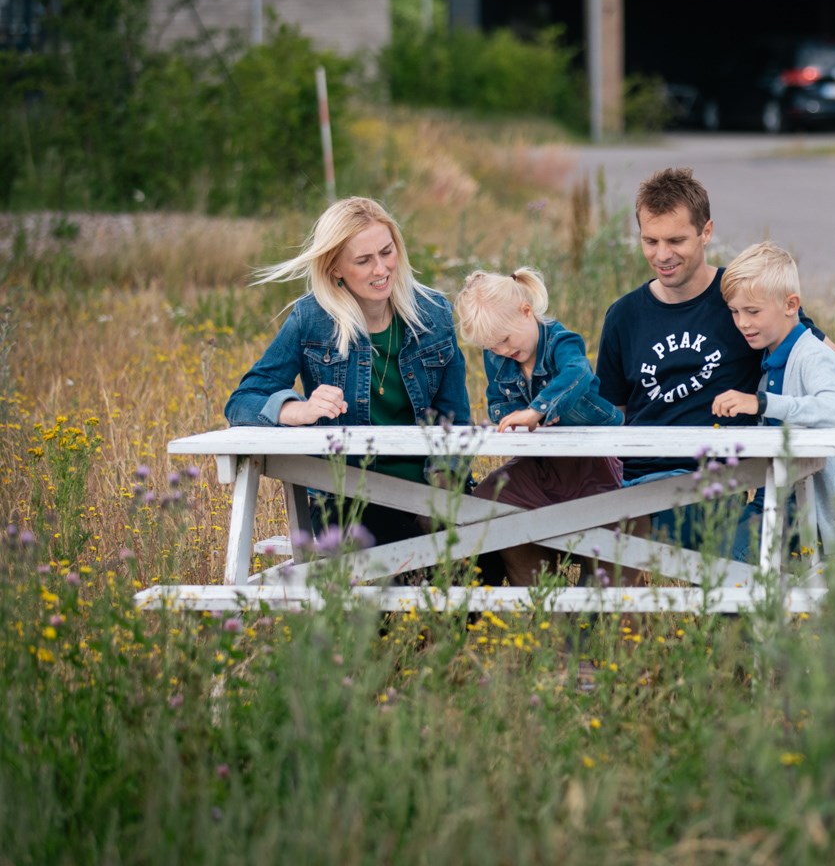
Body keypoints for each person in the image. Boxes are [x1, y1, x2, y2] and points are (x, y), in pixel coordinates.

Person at [595, 166, 835, 544]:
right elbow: (610, 417)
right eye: (650, 241)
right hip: (631, 479)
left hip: (710, 484)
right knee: (532, 519)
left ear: (706, 232)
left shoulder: (745, 301)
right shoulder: (623, 315)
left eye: (676, 240)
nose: (662, 255)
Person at [223, 196, 472, 554]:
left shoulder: (433, 314)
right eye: (364, 260)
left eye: (387, 252)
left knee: (484, 566)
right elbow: (242, 402)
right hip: (347, 494)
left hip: (430, 491)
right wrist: (299, 409)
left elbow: (456, 419)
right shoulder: (312, 318)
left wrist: (443, 490)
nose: (381, 269)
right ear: (335, 268)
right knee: (402, 554)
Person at [454, 267, 623, 585]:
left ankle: (591, 602)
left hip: (591, 461)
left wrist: (537, 411)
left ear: (527, 311)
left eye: (504, 340)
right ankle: (538, 593)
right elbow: (496, 402)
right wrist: (507, 419)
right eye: (492, 347)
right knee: (481, 504)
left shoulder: (562, 342)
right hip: (541, 463)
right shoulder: (500, 357)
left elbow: (578, 374)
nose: (502, 351)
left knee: (601, 541)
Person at [711, 242, 835, 561]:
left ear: (791, 304)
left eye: (753, 311)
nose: (742, 323)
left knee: (726, 563)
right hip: (771, 499)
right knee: (711, 552)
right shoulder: (770, 359)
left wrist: (762, 403)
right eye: (735, 312)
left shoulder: (812, 357)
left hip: (808, 508)